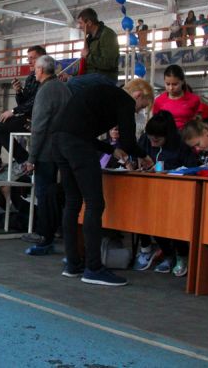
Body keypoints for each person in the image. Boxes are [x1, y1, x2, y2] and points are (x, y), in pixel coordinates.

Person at [55, 79, 155, 286]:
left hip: (59, 141)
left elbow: (82, 131)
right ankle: (94, 268)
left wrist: (111, 150)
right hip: (78, 145)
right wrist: (145, 156)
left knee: (72, 202)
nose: (138, 111)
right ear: (138, 96)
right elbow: (129, 142)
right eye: (142, 107)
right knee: (95, 204)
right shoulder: (125, 101)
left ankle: (73, 264)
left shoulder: (105, 94)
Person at [132, 111, 199, 275]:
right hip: (147, 191)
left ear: (167, 136)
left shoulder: (181, 145)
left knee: (173, 221)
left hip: (175, 194)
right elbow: (135, 157)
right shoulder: (145, 141)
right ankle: (165, 253)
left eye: (157, 139)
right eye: (150, 138)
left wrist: (169, 170)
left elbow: (193, 167)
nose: (153, 142)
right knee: (140, 214)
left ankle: (182, 255)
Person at [22, 55, 72, 255]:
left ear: (41, 70)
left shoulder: (45, 91)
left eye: (35, 67)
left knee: (43, 195)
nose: (34, 71)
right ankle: (57, 232)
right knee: (60, 195)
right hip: (64, 149)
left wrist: (31, 158)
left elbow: (39, 126)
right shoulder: (64, 88)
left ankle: (44, 238)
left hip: (46, 152)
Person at [0, 45, 43, 174]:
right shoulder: (31, 77)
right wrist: (18, 91)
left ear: (42, 58)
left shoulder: (45, 77)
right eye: (28, 58)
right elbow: (24, 102)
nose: (29, 61)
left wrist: (13, 111)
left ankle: (24, 159)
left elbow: (35, 102)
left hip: (35, 120)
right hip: (26, 115)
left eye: (33, 58)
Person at [68, 8, 121, 89]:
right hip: (92, 75)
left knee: (73, 82)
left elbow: (108, 63)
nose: (79, 27)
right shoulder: (89, 38)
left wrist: (88, 55)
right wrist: (70, 75)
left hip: (106, 77)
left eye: (81, 23)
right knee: (65, 83)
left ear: (89, 23)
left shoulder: (107, 35)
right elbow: (87, 67)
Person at [152, 65, 201, 129]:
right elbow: (156, 123)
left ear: (182, 82)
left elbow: (198, 122)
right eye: (167, 84)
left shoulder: (194, 99)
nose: (171, 88)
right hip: (166, 134)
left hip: (187, 134)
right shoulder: (158, 101)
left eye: (175, 84)